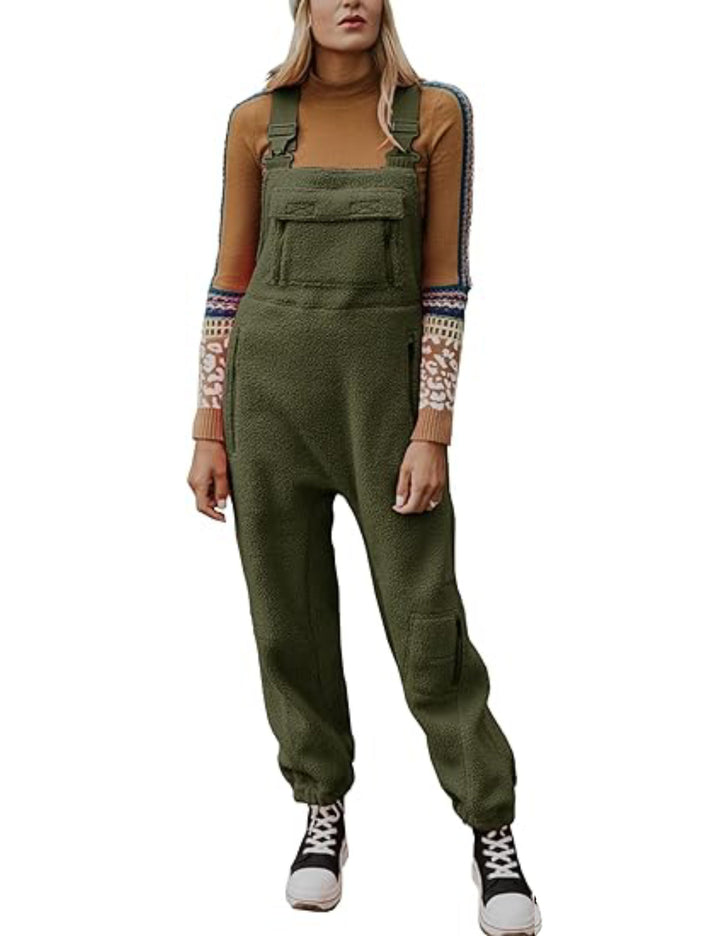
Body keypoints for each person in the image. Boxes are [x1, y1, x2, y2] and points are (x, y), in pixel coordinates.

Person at [186, 1, 541, 933]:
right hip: (267, 407)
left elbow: (445, 284)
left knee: (426, 621)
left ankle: (491, 822)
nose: (352, 1)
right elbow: (228, 281)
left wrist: (434, 429)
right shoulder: (257, 121)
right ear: (300, 7)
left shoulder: (435, 114)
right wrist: (208, 426)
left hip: (385, 414)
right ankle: (321, 806)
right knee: (287, 618)